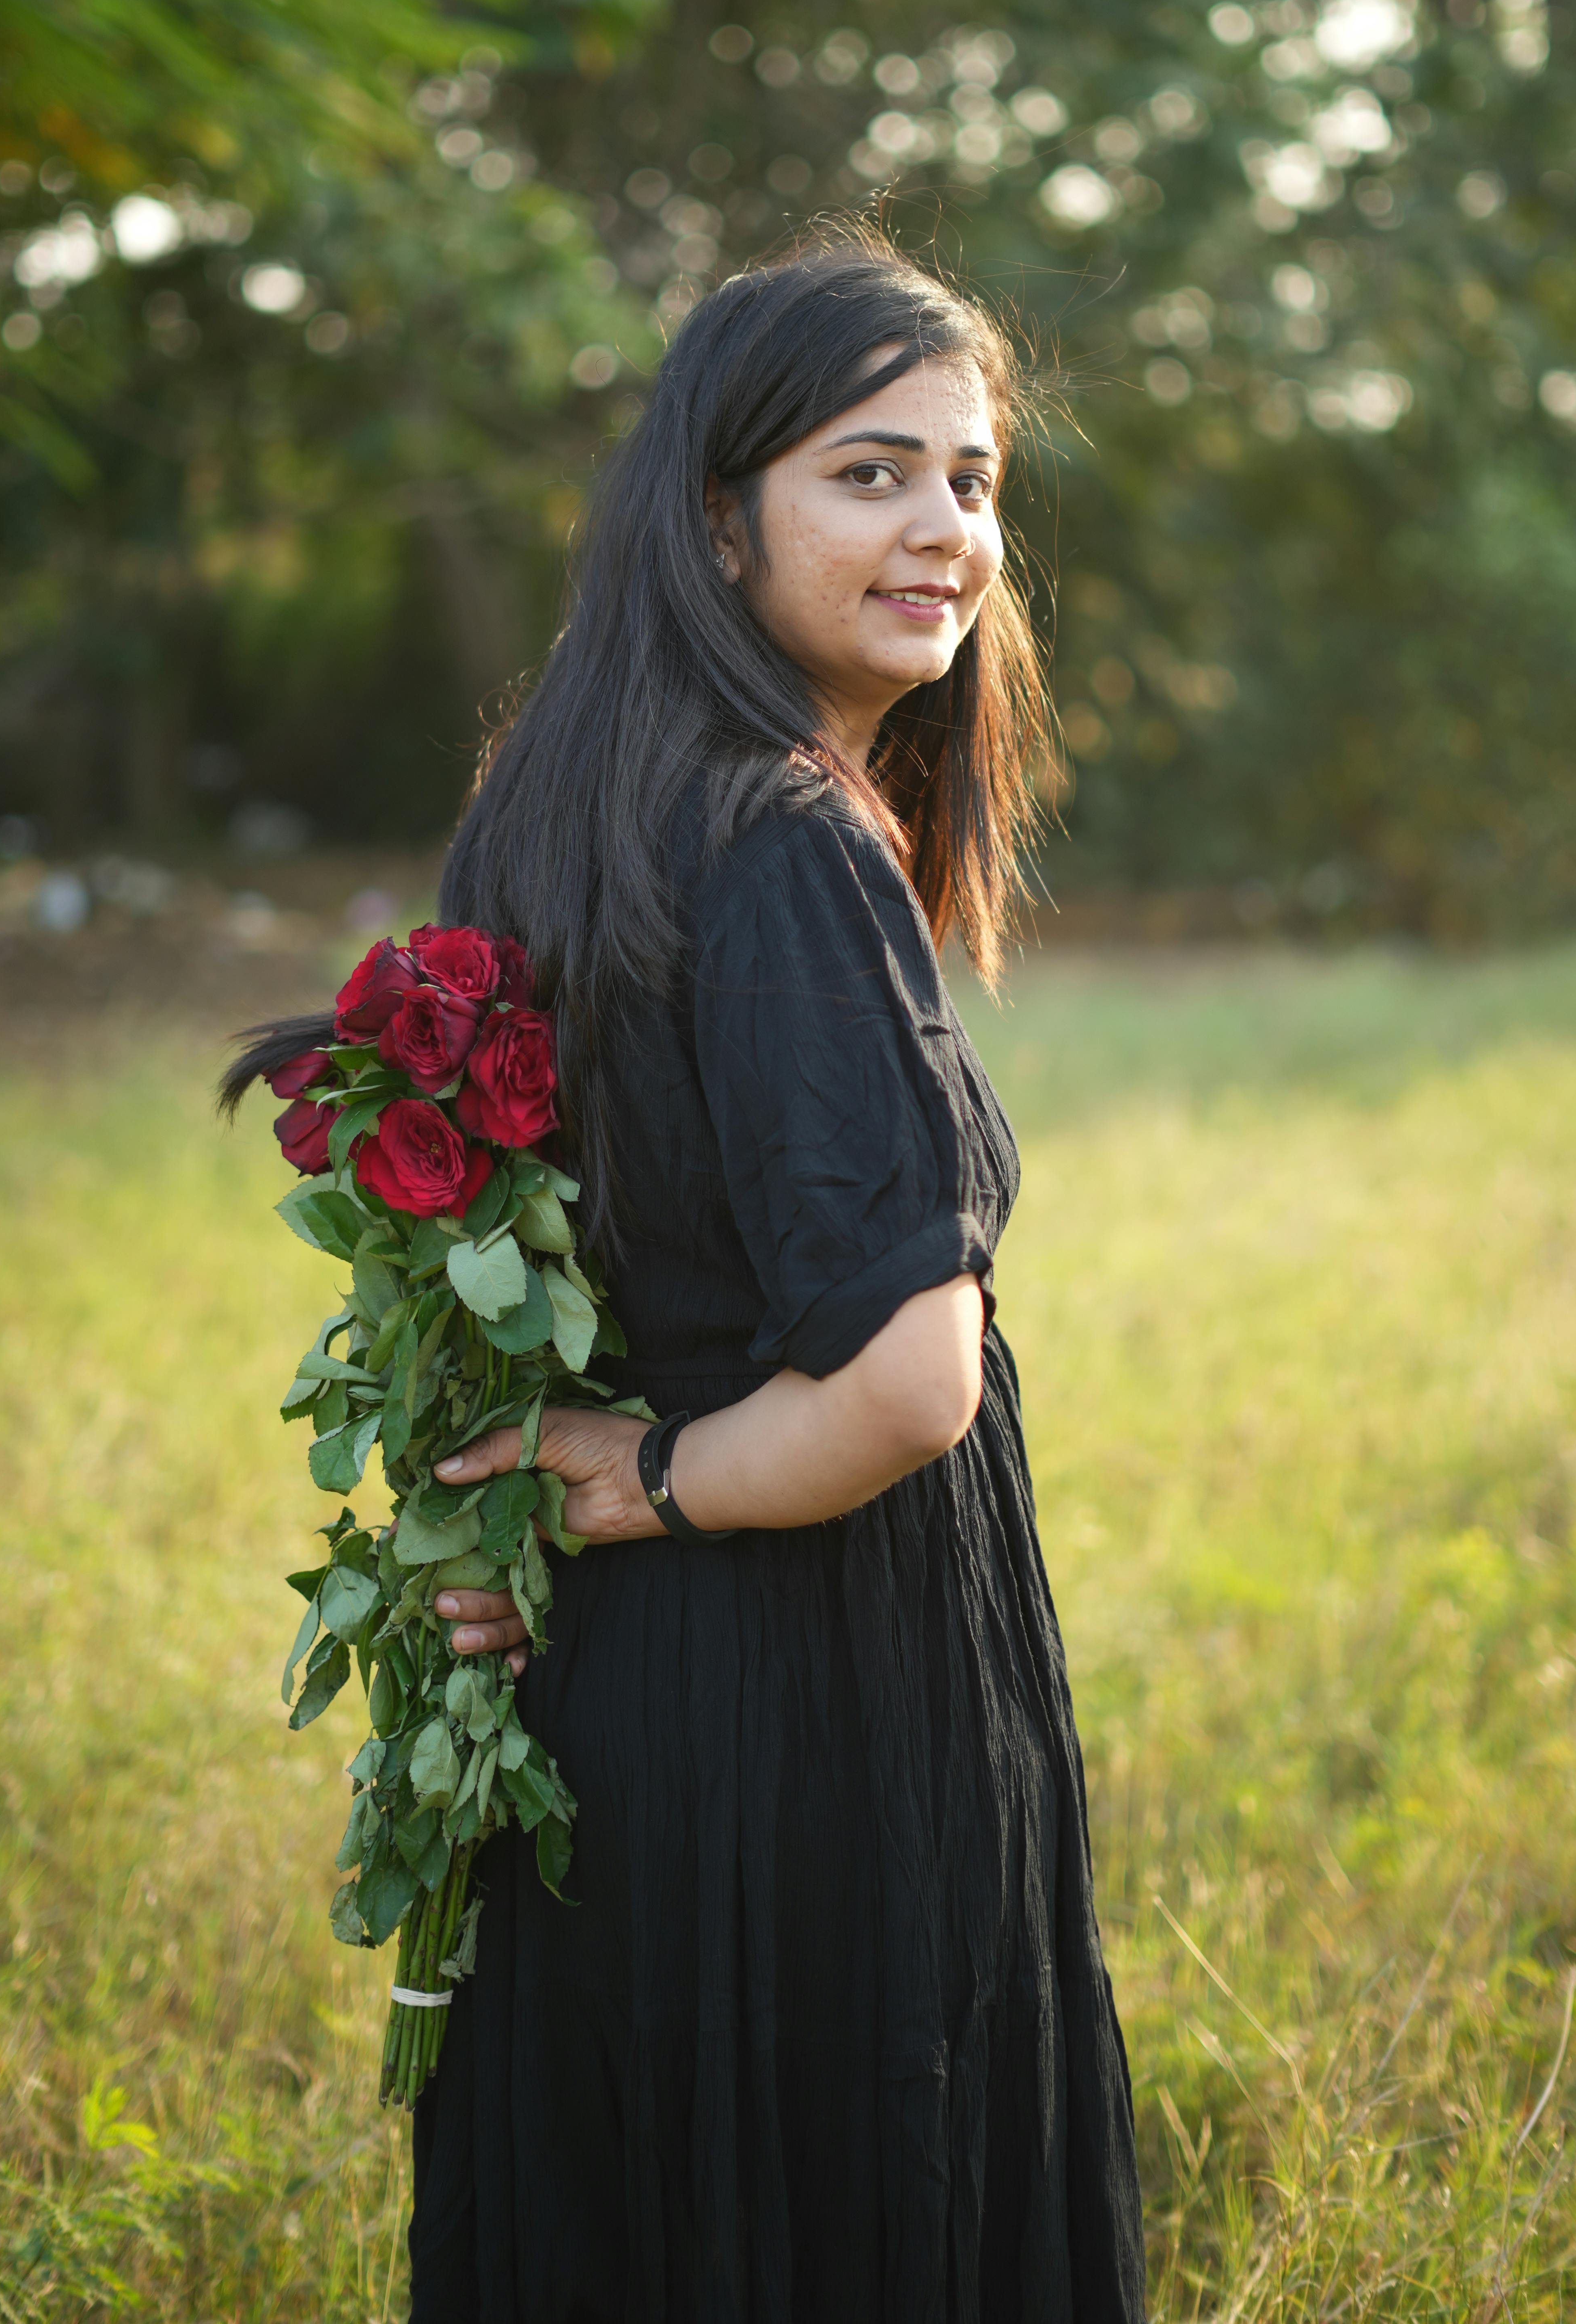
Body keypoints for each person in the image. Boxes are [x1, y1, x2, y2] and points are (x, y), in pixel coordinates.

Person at [274, 227, 1146, 2323]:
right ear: (713, 514)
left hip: (611, 1718)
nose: (946, 526)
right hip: (813, 1699)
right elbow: (906, 1385)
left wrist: (512, 1498)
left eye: (973, 478)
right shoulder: (783, 842)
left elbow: (499, 1264)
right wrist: (630, 1480)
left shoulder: (563, 814)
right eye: (873, 472)